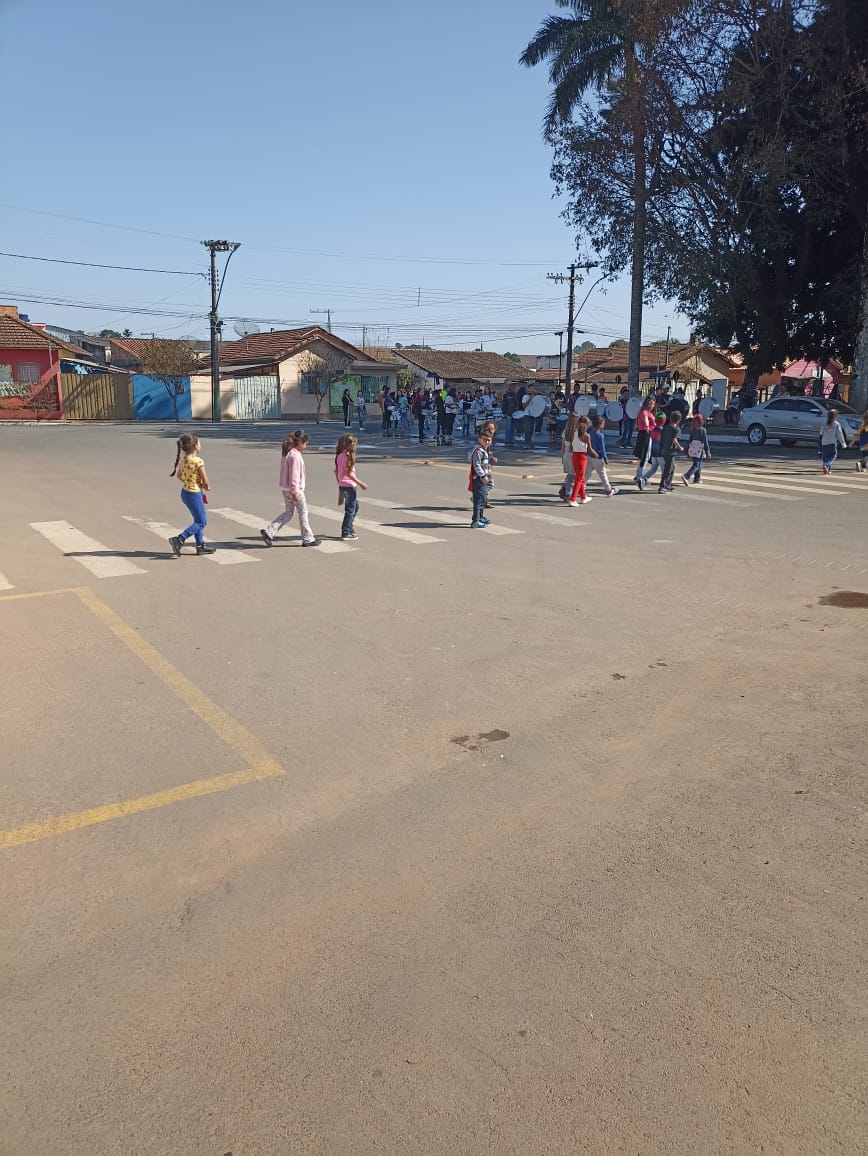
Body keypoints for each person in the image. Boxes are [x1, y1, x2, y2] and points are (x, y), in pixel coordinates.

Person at [260, 429, 319, 548]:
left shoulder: (287, 452)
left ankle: (270, 532)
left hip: (286, 489)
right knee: (303, 513)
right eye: (305, 443)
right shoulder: (295, 456)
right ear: (300, 443)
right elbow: (294, 475)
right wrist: (295, 492)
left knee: (288, 513)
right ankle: (308, 538)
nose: (306, 446)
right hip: (295, 490)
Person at [168, 434, 215, 557]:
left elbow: (179, 475)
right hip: (194, 494)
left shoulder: (184, 460)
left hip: (185, 493)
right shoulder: (198, 461)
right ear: (195, 446)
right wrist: (206, 487)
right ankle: (179, 539)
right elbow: (206, 483)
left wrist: (189, 482)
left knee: (197, 520)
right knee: (201, 522)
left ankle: (200, 545)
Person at [335, 433, 367, 540]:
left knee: (355, 507)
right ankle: (346, 532)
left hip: (343, 485)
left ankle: (349, 526)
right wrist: (361, 483)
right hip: (349, 486)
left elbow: (337, 472)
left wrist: (339, 483)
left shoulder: (339, 456)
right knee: (350, 510)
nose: (354, 446)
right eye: (353, 444)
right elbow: (349, 474)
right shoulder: (347, 457)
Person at [568, 415, 598, 506]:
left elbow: (570, 447)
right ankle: (573, 499)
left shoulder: (574, 433)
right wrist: (595, 453)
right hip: (582, 456)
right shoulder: (586, 435)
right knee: (579, 478)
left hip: (574, 456)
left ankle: (583, 497)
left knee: (580, 477)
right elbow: (590, 448)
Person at [587, 414, 619, 496]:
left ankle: (580, 488)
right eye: (603, 423)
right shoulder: (600, 436)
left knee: (586, 474)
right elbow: (602, 448)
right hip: (598, 458)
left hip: (589, 456)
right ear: (600, 424)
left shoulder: (590, 433)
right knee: (603, 474)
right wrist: (605, 458)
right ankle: (608, 490)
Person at [469, 429, 494, 528]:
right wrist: (482, 476)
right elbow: (476, 465)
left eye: (489, 440)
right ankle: (476, 520)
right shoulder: (478, 451)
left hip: (483, 478)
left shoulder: (484, 450)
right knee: (479, 500)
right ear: (479, 440)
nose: (487, 442)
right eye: (484, 440)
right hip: (478, 479)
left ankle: (480, 517)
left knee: (483, 499)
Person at [639, 412, 667, 490]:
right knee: (664, 470)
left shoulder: (653, 429)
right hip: (661, 453)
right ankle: (663, 485)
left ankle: (643, 479)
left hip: (653, 452)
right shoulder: (663, 430)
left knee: (653, 469)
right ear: (664, 421)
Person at [657, 411, 684, 493]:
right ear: (679, 420)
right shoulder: (677, 429)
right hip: (671, 451)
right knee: (668, 469)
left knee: (671, 468)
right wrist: (680, 447)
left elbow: (659, 438)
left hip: (664, 450)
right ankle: (663, 486)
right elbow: (674, 440)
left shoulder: (665, 428)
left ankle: (668, 485)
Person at [633, 396, 657, 484]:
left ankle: (638, 475)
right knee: (644, 457)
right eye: (649, 404)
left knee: (646, 456)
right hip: (645, 434)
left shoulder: (649, 413)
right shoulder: (644, 412)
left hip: (649, 435)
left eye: (653, 404)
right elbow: (646, 424)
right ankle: (639, 477)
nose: (651, 406)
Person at [681, 414, 711, 484]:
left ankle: (697, 478)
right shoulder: (703, 430)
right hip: (699, 450)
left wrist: (687, 452)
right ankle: (686, 476)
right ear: (702, 421)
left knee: (698, 463)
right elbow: (705, 442)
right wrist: (708, 452)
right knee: (697, 465)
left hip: (693, 449)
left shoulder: (692, 430)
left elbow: (689, 441)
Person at [819, 407, 848, 474]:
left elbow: (821, 433)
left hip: (824, 442)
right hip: (832, 442)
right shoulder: (836, 424)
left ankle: (827, 469)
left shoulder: (824, 423)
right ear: (835, 416)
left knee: (826, 456)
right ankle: (826, 465)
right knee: (833, 455)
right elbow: (840, 434)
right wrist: (843, 444)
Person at [558, 412, 580, 500]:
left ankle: (564, 487)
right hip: (573, 454)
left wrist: (562, 455)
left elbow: (563, 445)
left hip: (566, 454)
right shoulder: (576, 431)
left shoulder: (566, 430)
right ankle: (568, 492)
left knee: (570, 473)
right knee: (573, 474)